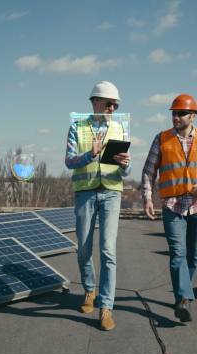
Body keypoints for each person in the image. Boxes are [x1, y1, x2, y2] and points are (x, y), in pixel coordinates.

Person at [140, 94, 197, 322]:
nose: (175, 117)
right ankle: (183, 299)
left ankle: (184, 292)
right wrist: (147, 198)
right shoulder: (162, 139)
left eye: (181, 113)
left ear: (193, 116)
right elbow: (149, 171)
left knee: (192, 256)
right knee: (177, 254)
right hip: (172, 205)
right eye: (173, 113)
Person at [64, 81, 131, 331]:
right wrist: (89, 155)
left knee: (108, 250)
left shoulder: (120, 128)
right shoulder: (77, 128)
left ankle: (106, 308)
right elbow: (69, 162)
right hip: (85, 193)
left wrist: (126, 165)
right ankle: (89, 290)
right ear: (95, 102)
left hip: (112, 192)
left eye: (116, 104)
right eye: (109, 103)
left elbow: (128, 169)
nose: (113, 107)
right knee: (83, 248)